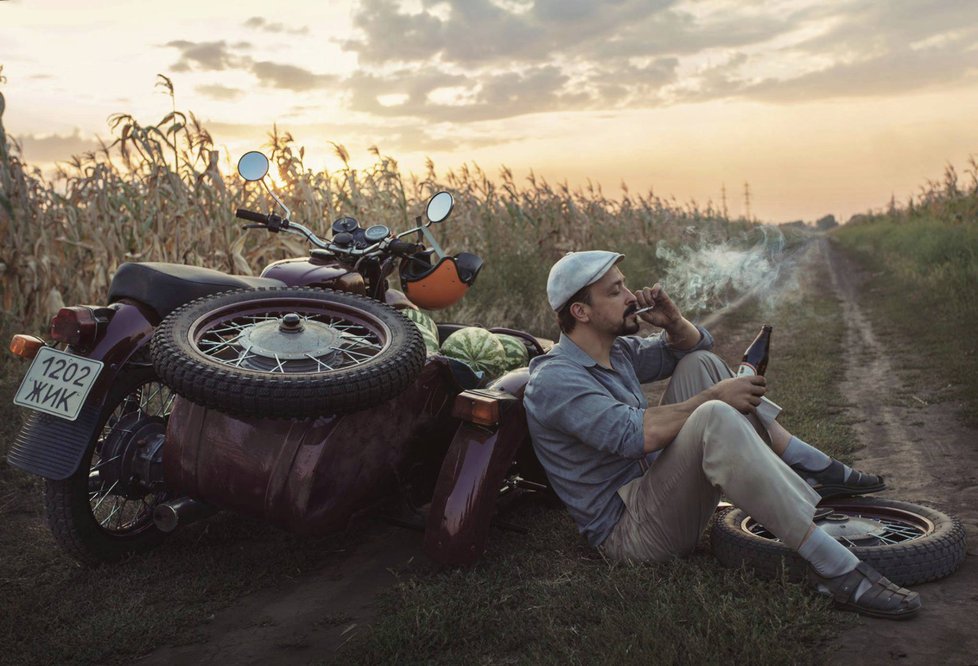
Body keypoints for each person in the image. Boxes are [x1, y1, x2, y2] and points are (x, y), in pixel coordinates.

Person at [524, 250, 921, 620]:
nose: (631, 296)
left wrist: (674, 321)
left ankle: (797, 459)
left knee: (700, 363)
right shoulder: (556, 379)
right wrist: (714, 397)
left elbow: (694, 348)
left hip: (654, 492)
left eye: (625, 285)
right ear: (581, 311)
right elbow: (633, 437)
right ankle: (837, 570)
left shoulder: (617, 350)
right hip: (630, 533)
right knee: (712, 411)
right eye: (616, 291)